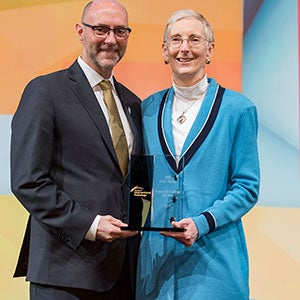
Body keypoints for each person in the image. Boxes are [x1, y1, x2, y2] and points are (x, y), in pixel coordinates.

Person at [10, 0, 143, 299]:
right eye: (101, 29)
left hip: (124, 274)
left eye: (120, 31)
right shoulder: (45, 91)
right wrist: (91, 224)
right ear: (80, 31)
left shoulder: (133, 103)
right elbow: (28, 181)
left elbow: (135, 184)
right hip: (65, 273)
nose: (111, 39)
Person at [136, 9, 260, 300]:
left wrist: (202, 222)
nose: (185, 48)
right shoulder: (147, 109)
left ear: (209, 50)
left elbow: (247, 187)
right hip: (156, 271)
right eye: (176, 40)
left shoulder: (238, 110)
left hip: (214, 269)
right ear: (165, 51)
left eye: (195, 39)